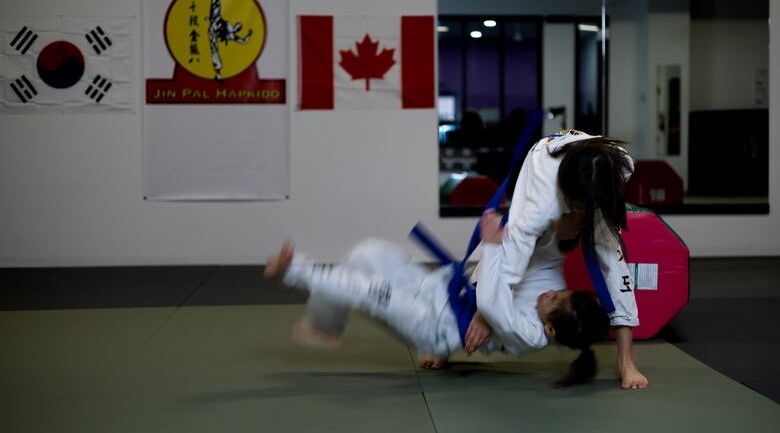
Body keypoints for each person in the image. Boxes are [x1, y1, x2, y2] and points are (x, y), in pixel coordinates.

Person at [263, 208, 611, 387]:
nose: (550, 291)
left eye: (553, 301)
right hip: (440, 290)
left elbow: (490, 303)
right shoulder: (552, 286)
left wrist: (490, 244)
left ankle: (293, 269)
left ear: (550, 329)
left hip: (433, 327)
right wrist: (556, 217)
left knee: (367, 290)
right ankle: (326, 325)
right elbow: (550, 250)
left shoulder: (529, 334)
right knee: (367, 254)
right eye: (559, 291)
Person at [464, 129, 649, 390]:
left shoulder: (619, 165)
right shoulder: (539, 204)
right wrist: (486, 312)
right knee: (499, 246)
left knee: (611, 256)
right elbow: (509, 265)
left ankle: (626, 359)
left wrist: (594, 209)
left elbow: (615, 271)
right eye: (579, 210)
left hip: (592, 171)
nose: (583, 217)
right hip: (542, 163)